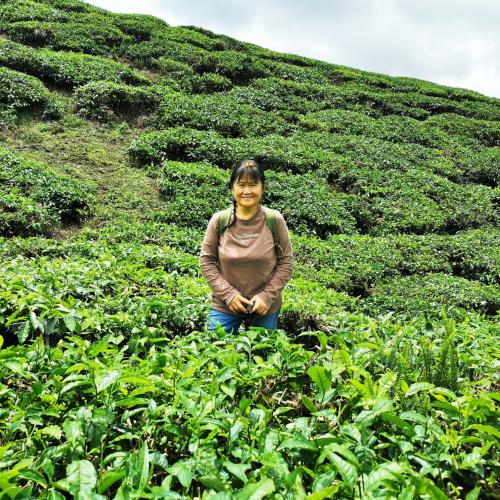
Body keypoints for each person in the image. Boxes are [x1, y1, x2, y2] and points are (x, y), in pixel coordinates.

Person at [199, 158, 294, 334]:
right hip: (224, 306)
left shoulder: (274, 220)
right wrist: (229, 295)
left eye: (253, 184)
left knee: (262, 356)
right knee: (214, 351)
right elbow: (207, 262)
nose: (247, 191)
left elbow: (286, 262)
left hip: (265, 307)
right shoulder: (219, 220)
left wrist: (267, 296)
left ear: (262, 188)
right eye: (241, 184)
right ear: (232, 188)